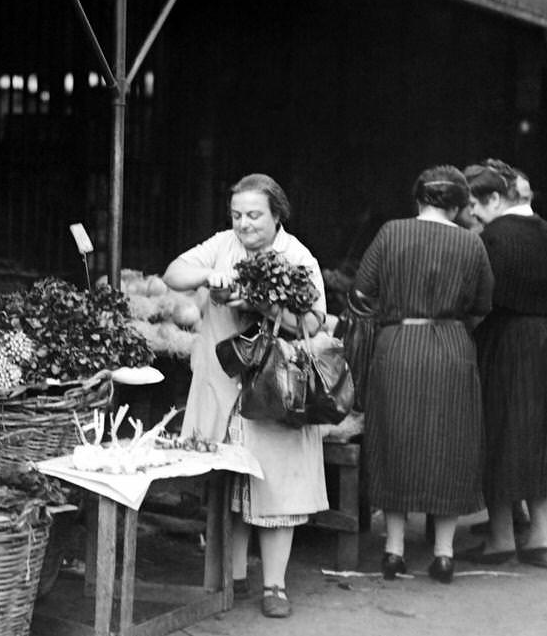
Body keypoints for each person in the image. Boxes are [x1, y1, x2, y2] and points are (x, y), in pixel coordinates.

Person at [163, 173, 326, 619]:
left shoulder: (297, 257)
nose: (244, 224)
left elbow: (313, 323)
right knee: (228, 486)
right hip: (223, 385)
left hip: (275, 390)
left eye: (254, 215)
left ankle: (275, 586)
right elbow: (174, 273)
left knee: (277, 490)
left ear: (277, 215)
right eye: (237, 215)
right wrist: (209, 274)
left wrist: (264, 305)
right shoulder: (222, 245)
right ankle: (228, 579)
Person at [351, 166, 493, 584]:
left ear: (418, 199)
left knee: (394, 441)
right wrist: (453, 325)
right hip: (452, 349)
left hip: (397, 348)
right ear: (458, 206)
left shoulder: (390, 233)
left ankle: (393, 550)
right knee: (450, 445)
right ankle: (444, 554)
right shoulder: (472, 244)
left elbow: (361, 291)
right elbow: (484, 303)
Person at [459, 160, 547, 570]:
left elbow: (480, 299)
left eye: (475, 205)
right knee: (539, 432)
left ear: (495, 198)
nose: (472, 214)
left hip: (506, 340)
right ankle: (540, 538)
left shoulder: (493, 238)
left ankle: (499, 539)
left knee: (498, 432)